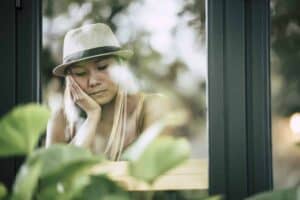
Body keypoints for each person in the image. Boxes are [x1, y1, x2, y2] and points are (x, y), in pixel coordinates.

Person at [45, 23, 177, 161]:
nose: (93, 81)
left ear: (121, 65)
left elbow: (151, 170)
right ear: (70, 80)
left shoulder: (152, 106)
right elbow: (53, 178)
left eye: (102, 67)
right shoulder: (61, 119)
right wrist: (92, 117)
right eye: (80, 73)